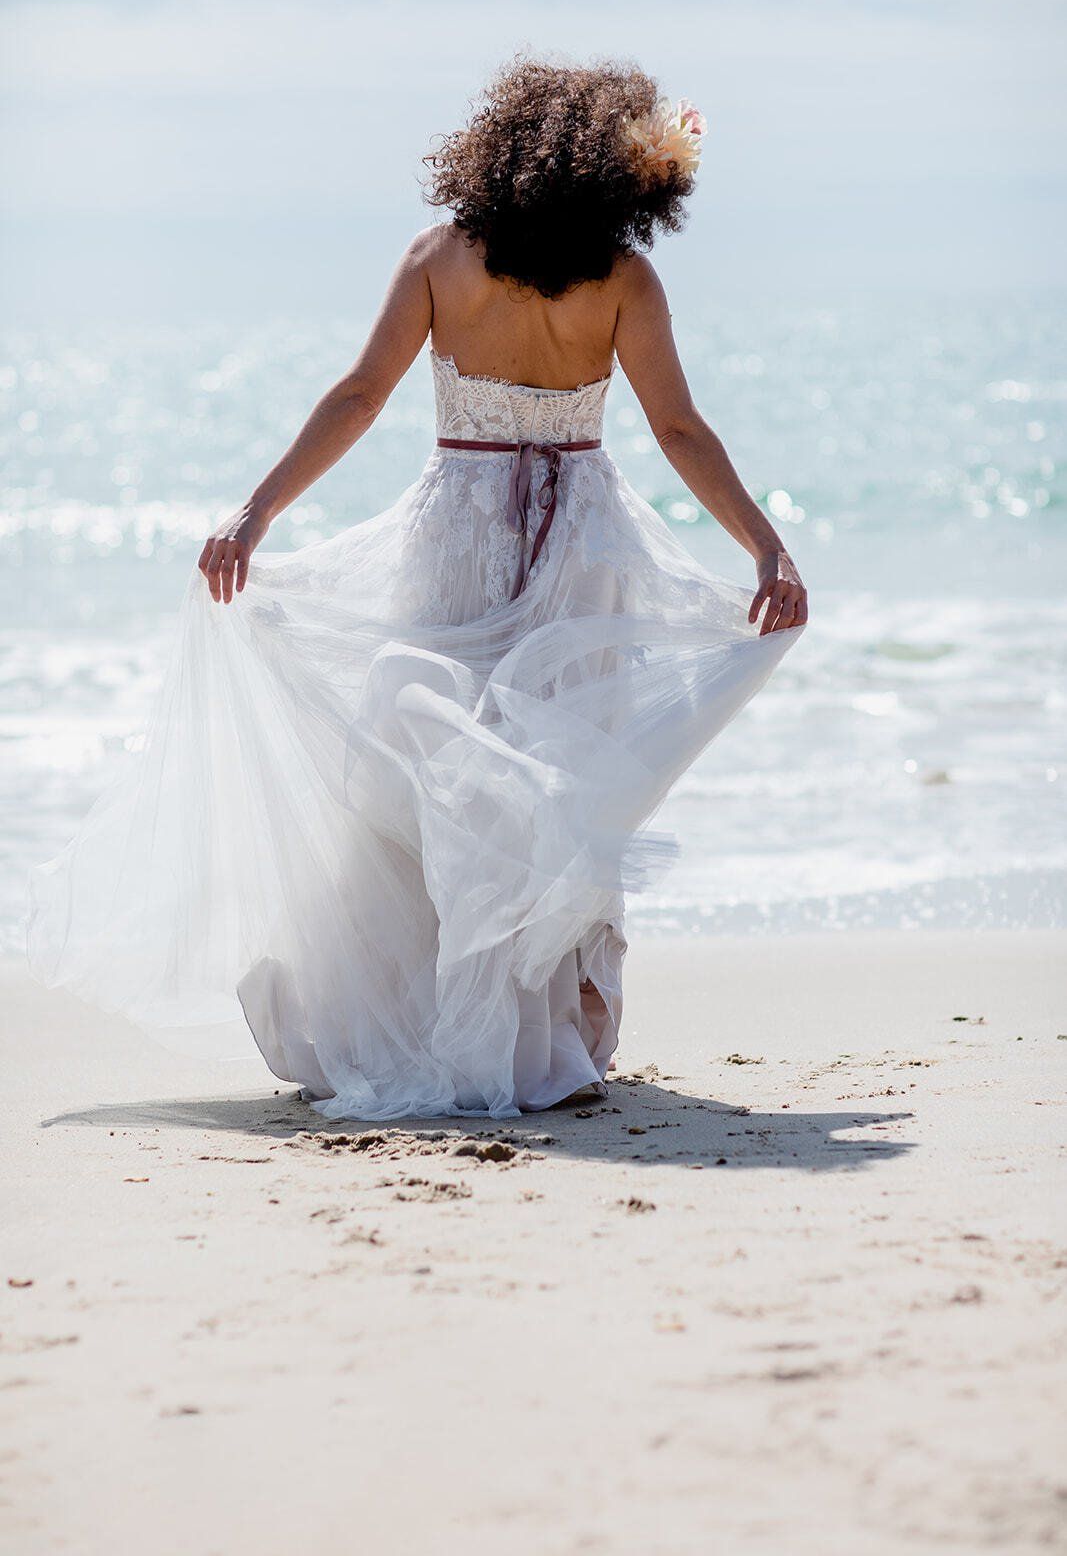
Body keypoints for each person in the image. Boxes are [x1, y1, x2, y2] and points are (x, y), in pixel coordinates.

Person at [26, 54, 807, 1120]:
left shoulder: (442, 258)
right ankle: (544, 1047)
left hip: (455, 541)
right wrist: (763, 546)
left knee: (435, 785)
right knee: (553, 785)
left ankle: (431, 1023)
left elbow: (355, 397)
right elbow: (678, 430)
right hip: (582, 548)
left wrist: (255, 511)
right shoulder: (623, 281)